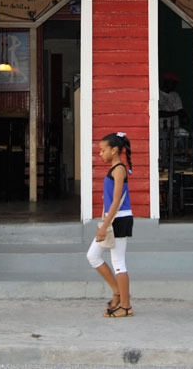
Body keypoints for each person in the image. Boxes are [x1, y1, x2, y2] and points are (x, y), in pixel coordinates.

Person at [86, 132, 134, 318]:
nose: (100, 154)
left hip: (119, 219)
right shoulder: (114, 168)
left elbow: (116, 201)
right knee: (93, 256)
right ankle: (117, 293)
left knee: (118, 262)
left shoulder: (119, 169)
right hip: (112, 219)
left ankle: (126, 305)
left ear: (114, 150)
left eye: (103, 150)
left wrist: (103, 226)